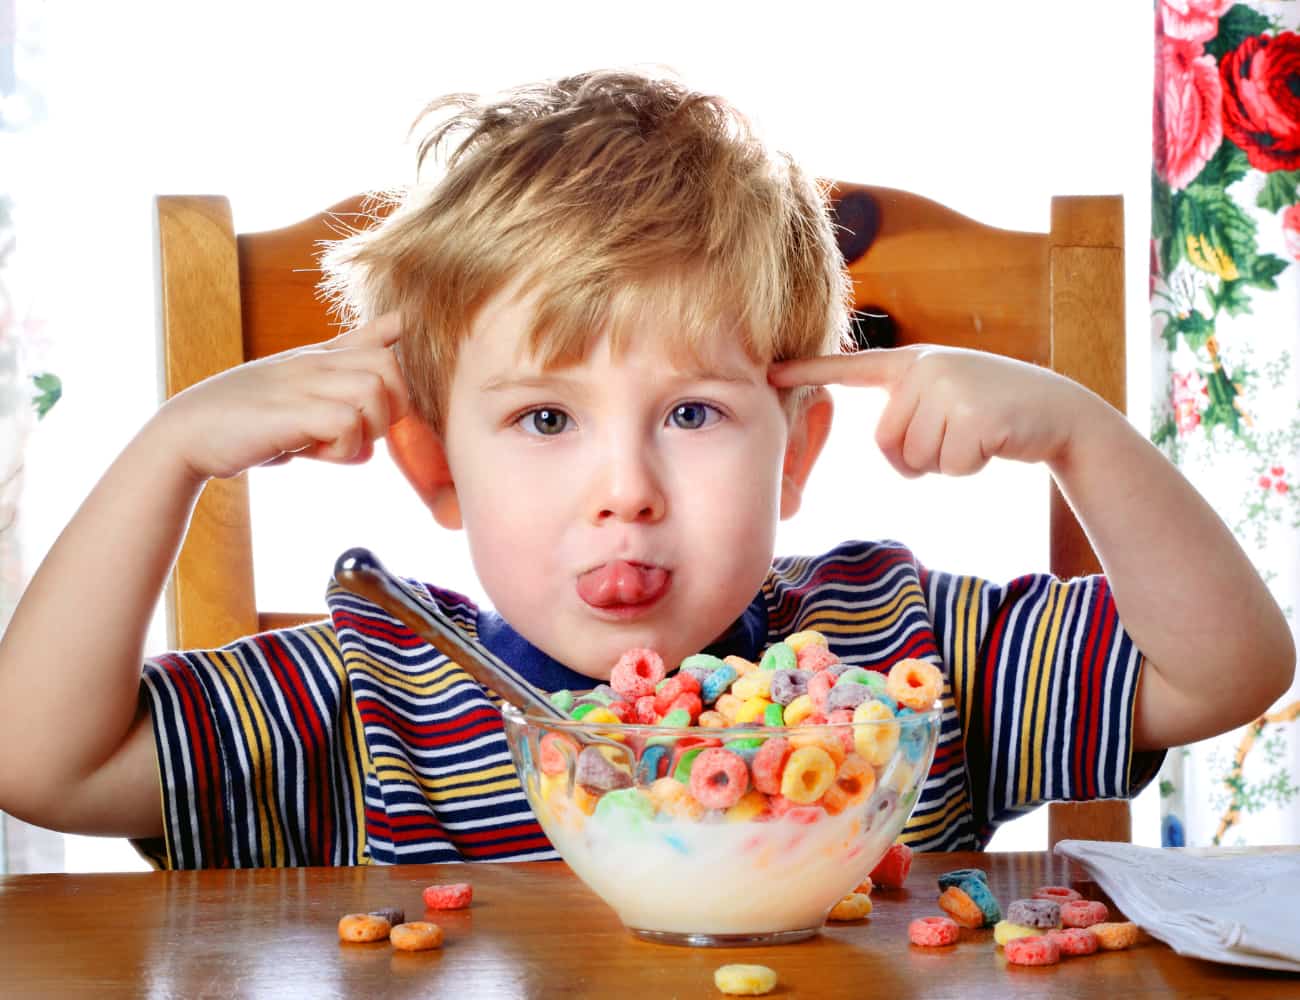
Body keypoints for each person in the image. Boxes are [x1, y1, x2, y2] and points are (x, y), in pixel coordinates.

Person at [0, 70, 1291, 869]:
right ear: (434, 466)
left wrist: (1083, 436)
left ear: (798, 453)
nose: (626, 489)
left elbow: (1228, 671)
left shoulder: (900, 656)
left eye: (691, 412)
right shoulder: (371, 704)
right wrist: (168, 453)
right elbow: (39, 766)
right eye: (544, 421)